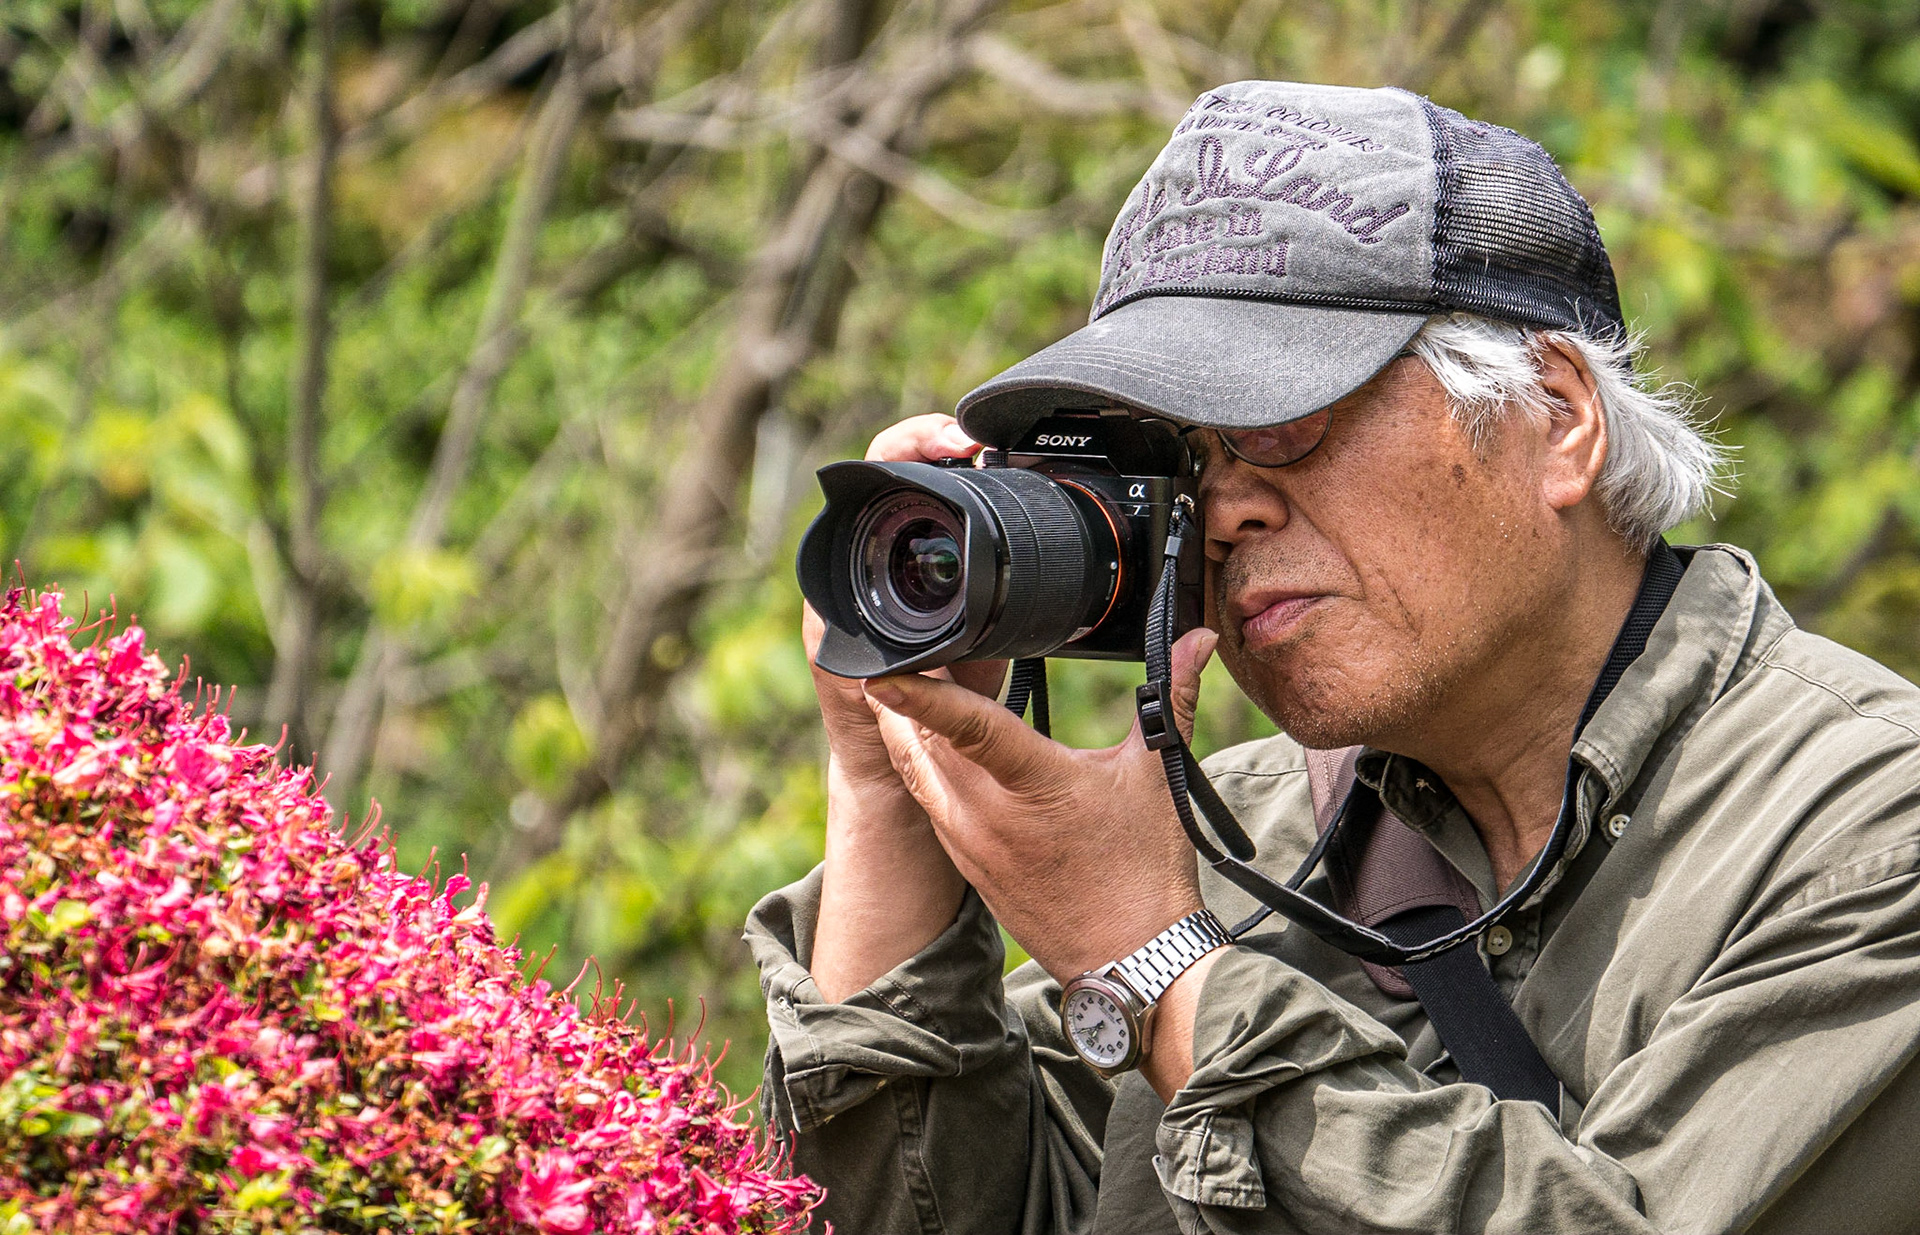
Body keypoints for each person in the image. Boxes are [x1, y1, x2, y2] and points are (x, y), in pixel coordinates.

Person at [745, 80, 1920, 1234]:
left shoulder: (1866, 836)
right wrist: (886, 775)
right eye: (1181, 460)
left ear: (1558, 416)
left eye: (1280, 426)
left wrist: (1159, 967)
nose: (1223, 513)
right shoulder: (1228, 842)